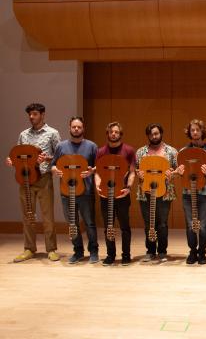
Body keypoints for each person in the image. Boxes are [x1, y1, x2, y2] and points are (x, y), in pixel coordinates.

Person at [6, 103, 61, 262]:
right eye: (30, 114)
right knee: (27, 215)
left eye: (35, 114)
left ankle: (51, 249)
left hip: (43, 178)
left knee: (47, 216)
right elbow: (18, 155)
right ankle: (29, 248)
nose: (31, 117)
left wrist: (47, 158)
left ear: (42, 115)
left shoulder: (52, 133)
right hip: (25, 179)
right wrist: (12, 160)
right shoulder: (23, 134)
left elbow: (59, 156)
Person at [51, 116, 99, 264]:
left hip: (86, 191)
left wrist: (91, 171)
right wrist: (55, 170)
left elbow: (99, 166)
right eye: (74, 127)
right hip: (66, 191)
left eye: (79, 127)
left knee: (89, 223)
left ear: (83, 128)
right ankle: (77, 251)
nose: (76, 129)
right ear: (70, 128)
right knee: (72, 223)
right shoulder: (61, 146)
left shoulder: (92, 146)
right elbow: (53, 165)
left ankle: (94, 252)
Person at [94, 122, 136, 266]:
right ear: (107, 134)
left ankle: (126, 255)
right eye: (111, 131)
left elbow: (132, 172)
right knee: (108, 227)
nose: (113, 134)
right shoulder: (100, 152)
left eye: (116, 132)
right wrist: (98, 186)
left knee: (125, 227)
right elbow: (97, 173)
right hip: (106, 195)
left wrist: (129, 188)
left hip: (122, 194)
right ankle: (110, 255)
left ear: (120, 134)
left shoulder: (129, 150)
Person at [176, 119, 206, 265]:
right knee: (190, 224)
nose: (195, 132)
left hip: (204, 194)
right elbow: (178, 173)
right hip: (188, 194)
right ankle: (192, 251)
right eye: (192, 130)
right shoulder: (182, 152)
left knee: (203, 226)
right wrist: (178, 172)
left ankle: (202, 253)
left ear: (202, 132)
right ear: (189, 132)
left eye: (197, 130)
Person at [135, 123, 177, 263]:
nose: (154, 136)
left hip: (165, 192)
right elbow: (135, 170)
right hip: (145, 191)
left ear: (161, 134)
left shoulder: (171, 151)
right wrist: (138, 174)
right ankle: (150, 251)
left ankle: (162, 251)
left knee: (162, 223)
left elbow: (179, 171)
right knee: (148, 223)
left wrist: (172, 174)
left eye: (156, 133)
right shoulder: (141, 152)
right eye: (151, 134)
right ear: (148, 135)